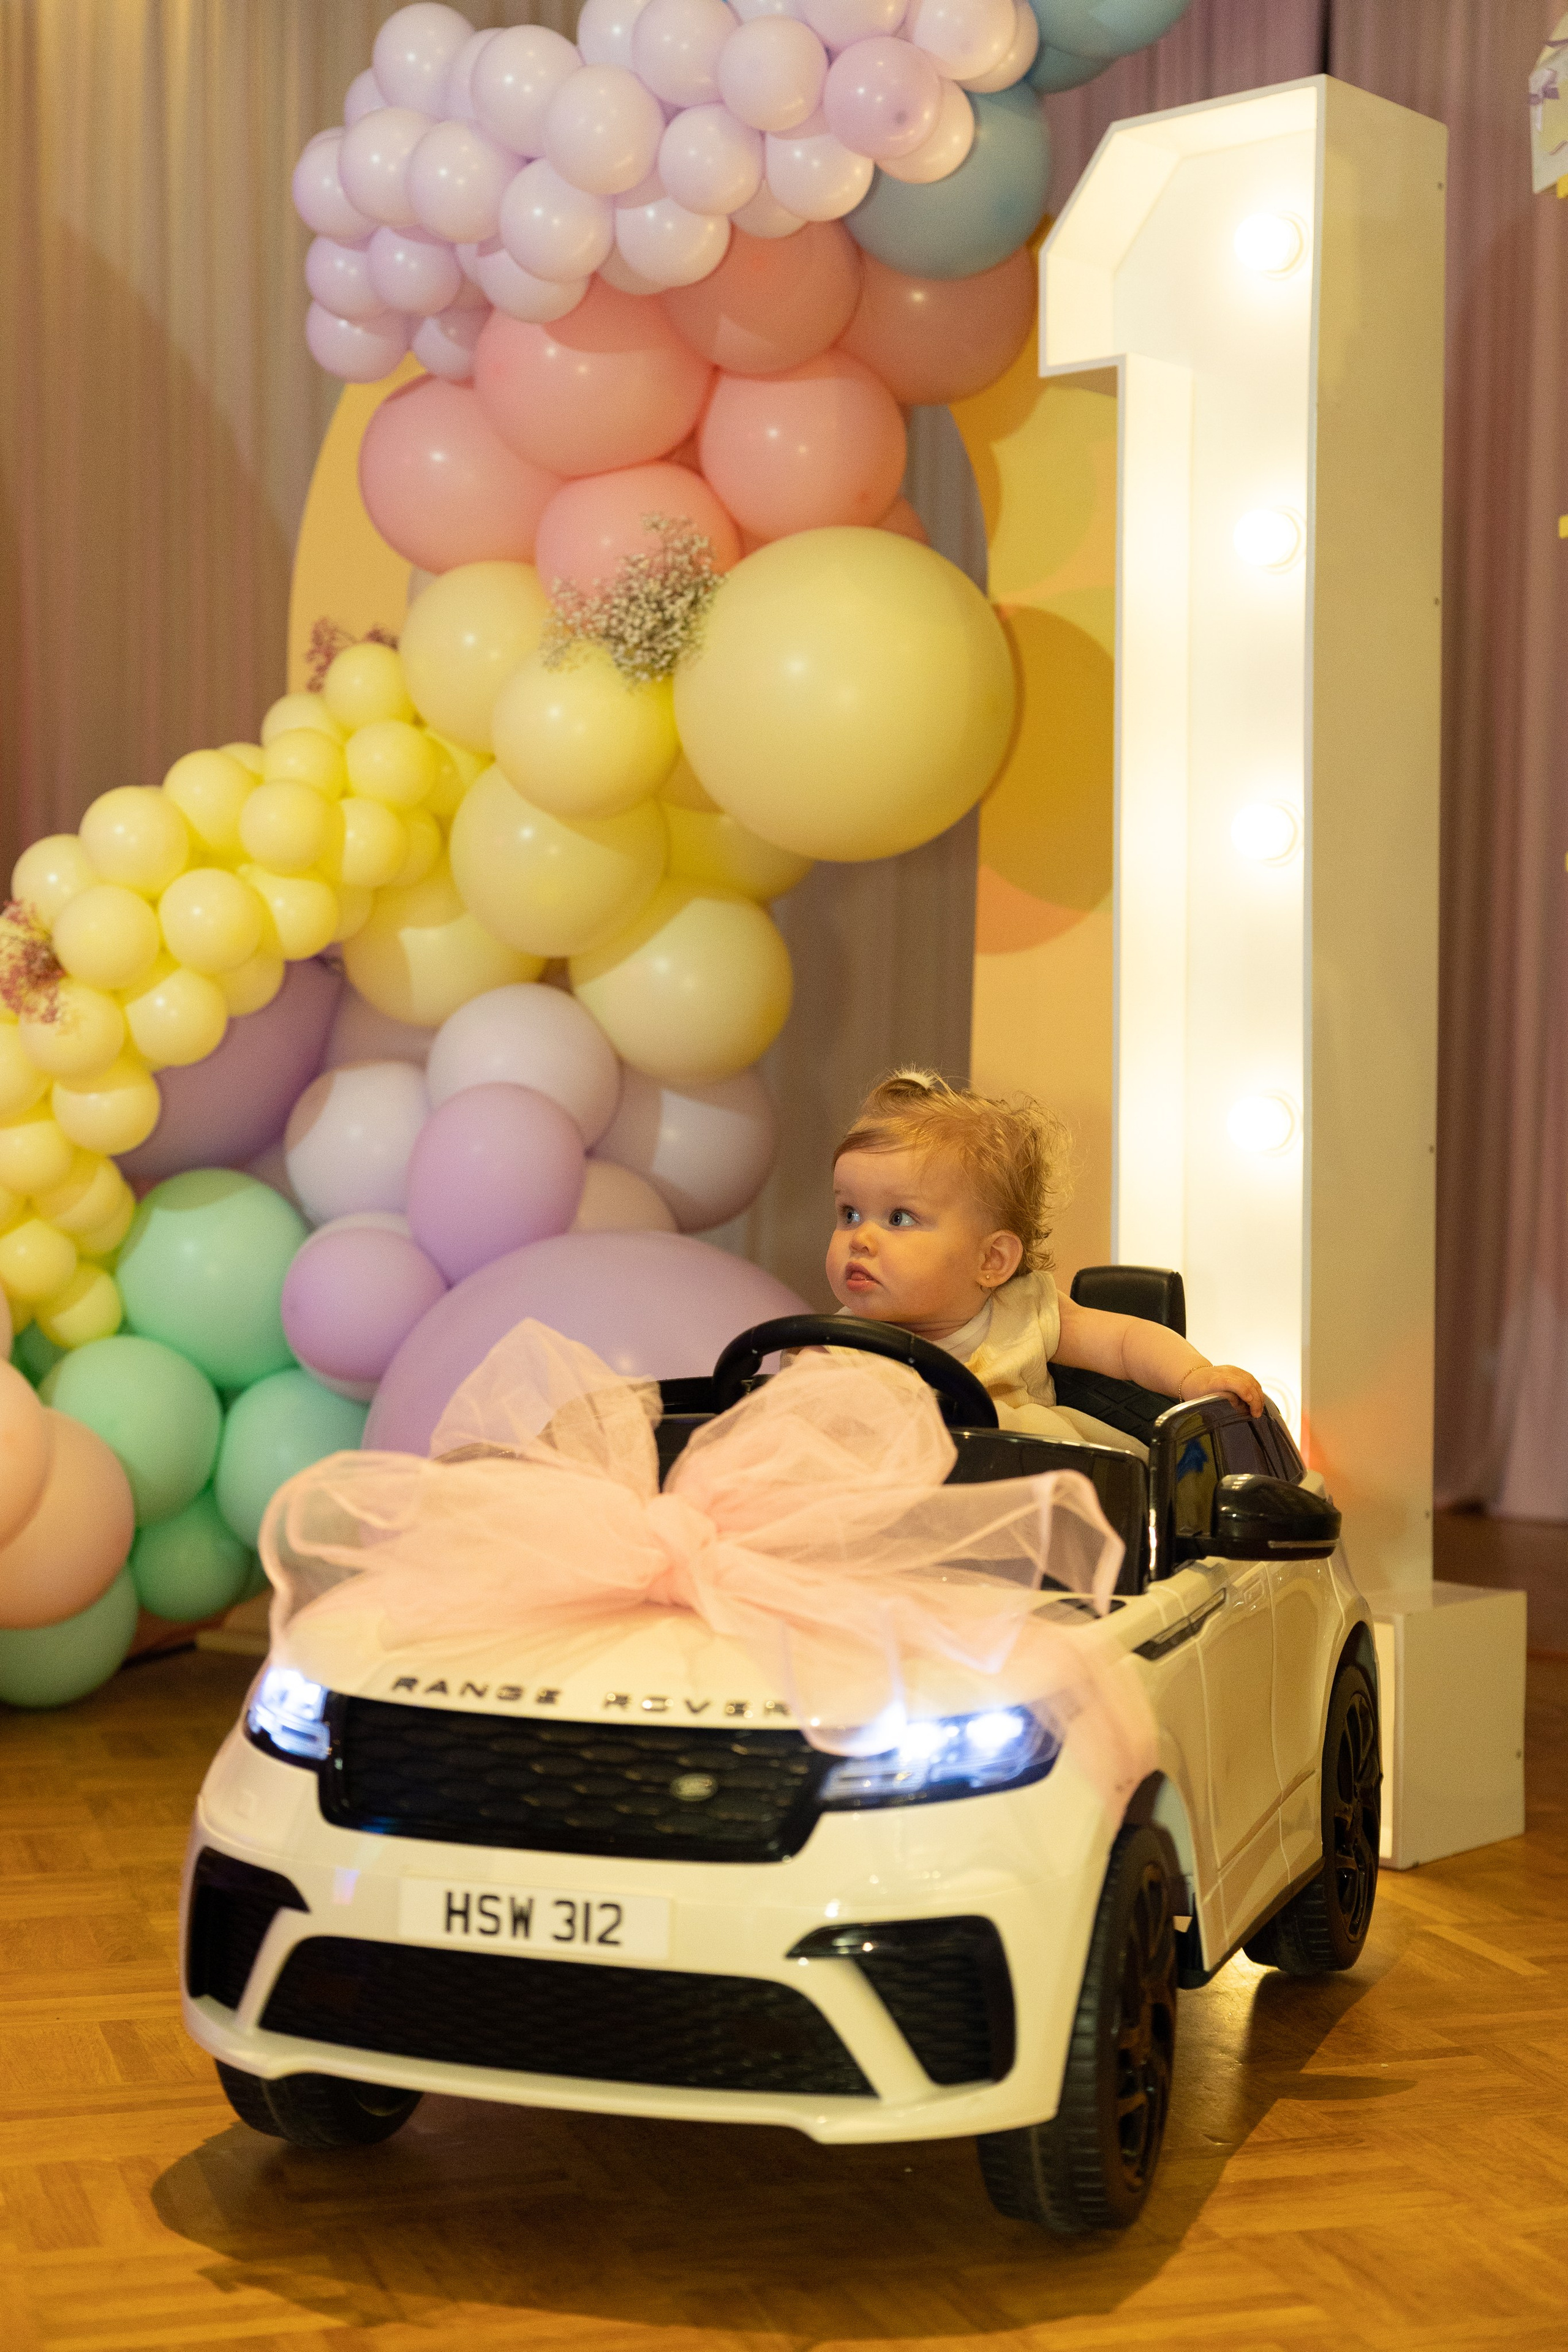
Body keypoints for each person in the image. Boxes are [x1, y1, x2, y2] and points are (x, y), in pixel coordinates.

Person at [826, 1069, 1265, 1449]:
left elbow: (1126, 1343)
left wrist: (1194, 1377)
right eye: (850, 1214)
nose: (860, 1238)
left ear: (992, 1259)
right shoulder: (837, 1345)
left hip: (1031, 1479)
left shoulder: (1025, 1313)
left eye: (899, 1218)